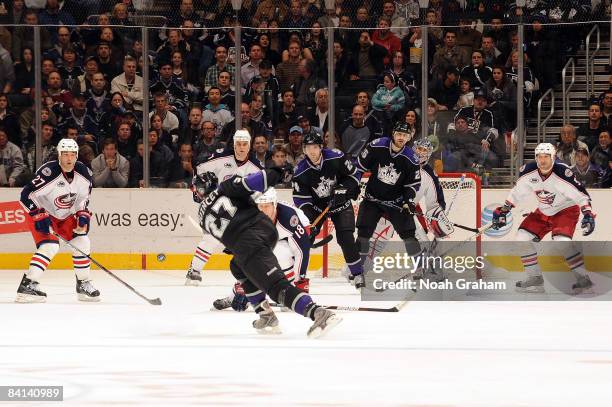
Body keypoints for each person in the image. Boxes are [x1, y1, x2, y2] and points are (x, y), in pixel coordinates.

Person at [194, 165, 341, 337]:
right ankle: (266, 315)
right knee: (237, 266)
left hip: (250, 241)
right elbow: (256, 183)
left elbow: (224, 236)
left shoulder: (201, 216)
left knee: (276, 288)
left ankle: (319, 313)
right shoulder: (225, 187)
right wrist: (276, 172)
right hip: (265, 231)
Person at [492, 143, 596, 294]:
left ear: (553, 157)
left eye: (546, 157)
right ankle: (535, 278)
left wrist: (587, 213)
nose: (542, 160)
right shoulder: (528, 171)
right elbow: (517, 192)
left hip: (565, 210)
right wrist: (504, 210)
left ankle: (583, 279)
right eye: (539, 157)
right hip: (543, 212)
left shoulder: (562, 172)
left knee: (562, 242)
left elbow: (580, 195)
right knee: (521, 238)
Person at [16, 138, 100, 303]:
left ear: (76, 156)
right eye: (65, 154)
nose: (69, 159)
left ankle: (83, 284)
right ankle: (27, 285)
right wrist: (38, 214)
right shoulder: (49, 172)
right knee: (50, 246)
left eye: (72, 155)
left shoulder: (84, 173)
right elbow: (26, 195)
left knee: (82, 242)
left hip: (64, 215)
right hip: (41, 213)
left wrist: (82, 216)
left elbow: (83, 199)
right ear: (59, 155)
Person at [212, 187, 312, 311]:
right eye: (260, 206)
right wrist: (243, 288)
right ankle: (234, 295)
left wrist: (301, 281)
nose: (263, 211)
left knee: (280, 254)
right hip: (269, 235)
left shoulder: (289, 218)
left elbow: (302, 251)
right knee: (254, 257)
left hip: (294, 233)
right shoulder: (250, 216)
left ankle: (288, 290)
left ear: (274, 204)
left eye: (267, 206)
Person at [185, 130, 264, 285]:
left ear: (249, 146)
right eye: (238, 144)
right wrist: (198, 189)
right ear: (233, 145)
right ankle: (194, 270)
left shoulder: (256, 168)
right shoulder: (221, 157)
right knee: (210, 238)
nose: (241, 148)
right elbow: (199, 168)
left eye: (244, 144)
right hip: (219, 205)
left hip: (242, 210)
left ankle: (250, 278)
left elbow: (262, 194)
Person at [293, 131, 364, 287]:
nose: (312, 151)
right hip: (317, 208)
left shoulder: (336, 156)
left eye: (315, 147)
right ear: (304, 150)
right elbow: (301, 199)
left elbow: (355, 175)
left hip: (340, 204)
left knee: (345, 238)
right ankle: (297, 277)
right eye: (308, 147)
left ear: (321, 147)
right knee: (303, 239)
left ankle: (358, 274)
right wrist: (309, 219)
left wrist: (344, 189)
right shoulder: (300, 170)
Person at [354, 122, 423, 279]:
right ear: (393, 133)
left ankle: (419, 267)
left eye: (405, 135)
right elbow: (358, 167)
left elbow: (412, 184)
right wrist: (353, 185)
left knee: (409, 235)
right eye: (399, 134)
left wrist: (409, 201)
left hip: (397, 202)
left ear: (409, 137)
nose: (401, 138)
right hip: (372, 199)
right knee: (364, 233)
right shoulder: (377, 146)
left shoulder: (411, 158)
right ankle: (359, 270)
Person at [411, 138, 451, 243]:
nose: (421, 152)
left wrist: (438, 216)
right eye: (420, 148)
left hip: (408, 210)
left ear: (429, 153)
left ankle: (429, 257)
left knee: (422, 240)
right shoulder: (401, 161)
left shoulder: (430, 174)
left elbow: (435, 202)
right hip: (388, 207)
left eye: (425, 150)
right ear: (414, 149)